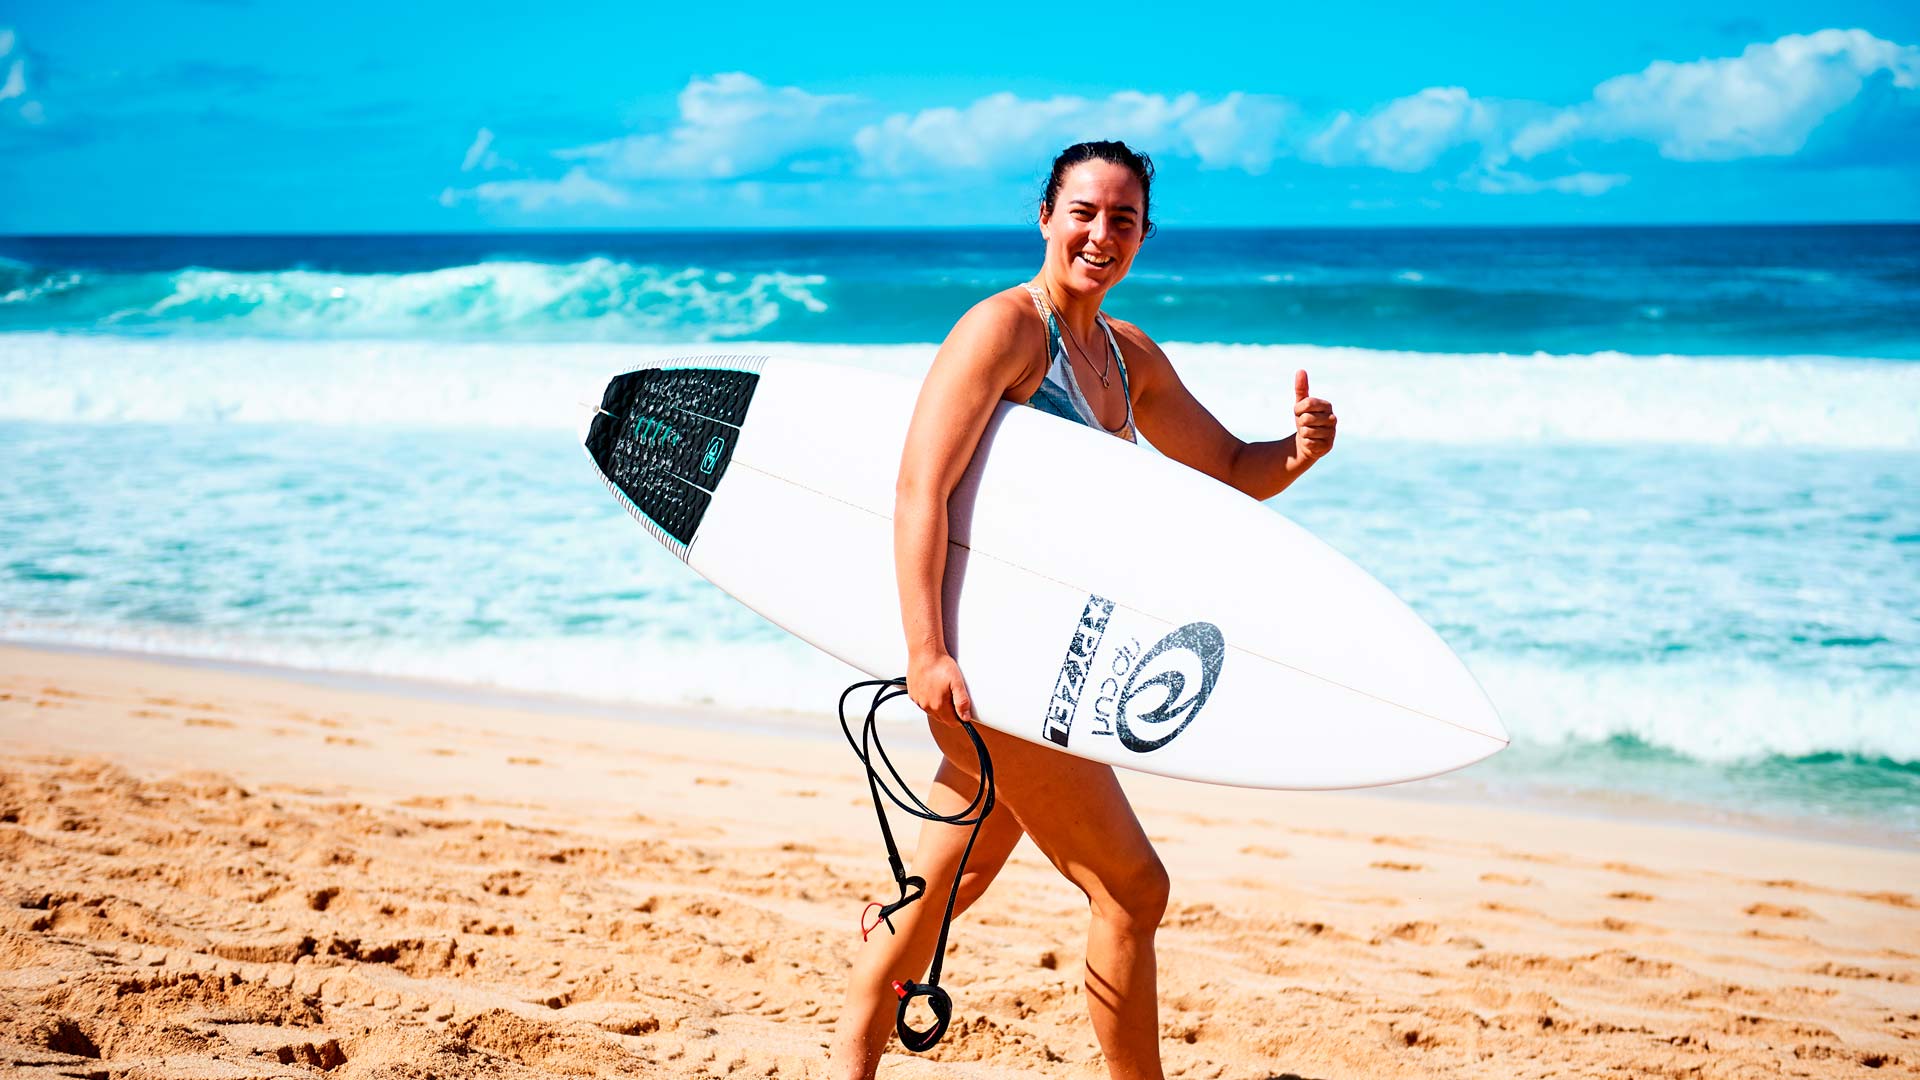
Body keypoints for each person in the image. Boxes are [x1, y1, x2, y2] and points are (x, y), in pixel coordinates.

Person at [828, 140, 1338, 1080]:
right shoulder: (1003, 332)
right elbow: (918, 492)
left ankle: (849, 1058)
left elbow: (1229, 469)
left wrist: (1298, 449)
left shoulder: (1125, 352)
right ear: (1046, 218)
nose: (1102, 234)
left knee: (954, 877)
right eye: (1085, 213)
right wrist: (926, 651)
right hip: (993, 661)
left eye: (1124, 219)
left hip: (1052, 659)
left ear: (1144, 233)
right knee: (1132, 889)